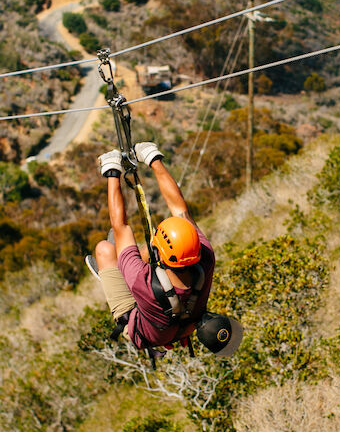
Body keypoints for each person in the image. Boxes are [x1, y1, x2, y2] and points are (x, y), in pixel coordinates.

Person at [87, 141, 242, 357]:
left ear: (159, 254)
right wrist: (152, 158)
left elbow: (121, 226)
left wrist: (112, 170)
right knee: (130, 251)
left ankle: (116, 269)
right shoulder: (203, 257)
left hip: (141, 326)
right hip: (176, 321)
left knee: (104, 249)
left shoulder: (143, 282)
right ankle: (127, 260)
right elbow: (179, 209)